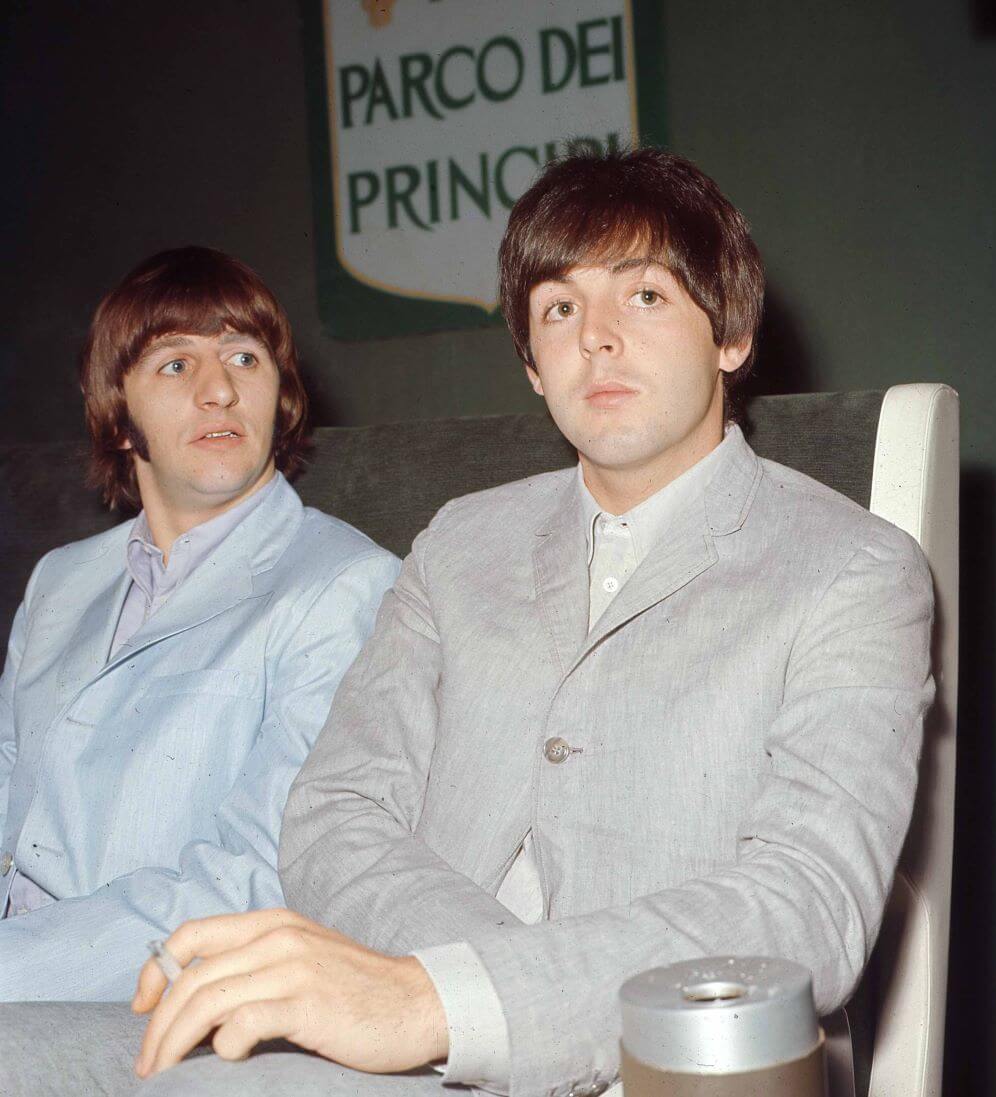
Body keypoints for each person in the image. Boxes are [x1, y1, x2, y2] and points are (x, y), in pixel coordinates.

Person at [0, 150, 933, 1097]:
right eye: (560, 309)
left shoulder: (854, 567)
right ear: (531, 363)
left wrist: (462, 1001)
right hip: (405, 1030)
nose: (597, 339)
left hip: (675, 1066)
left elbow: (804, 903)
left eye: (645, 296)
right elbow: (332, 814)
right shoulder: (459, 542)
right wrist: (448, 995)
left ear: (730, 332)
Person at [0, 247, 400, 1003]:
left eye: (244, 358)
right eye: (176, 365)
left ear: (280, 397)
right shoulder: (60, 581)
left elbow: (261, 876)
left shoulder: (346, 583)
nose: (219, 390)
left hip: (144, 999)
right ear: (119, 416)